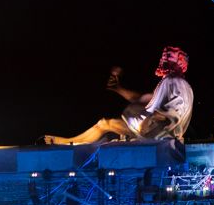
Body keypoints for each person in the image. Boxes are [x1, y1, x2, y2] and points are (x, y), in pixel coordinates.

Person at [44, 46, 194, 145]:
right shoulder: (169, 81)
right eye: (164, 55)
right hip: (151, 128)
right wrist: (119, 89)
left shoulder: (175, 82)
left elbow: (175, 109)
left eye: (168, 56)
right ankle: (70, 143)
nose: (163, 58)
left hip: (155, 132)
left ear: (179, 62)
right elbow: (142, 100)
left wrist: (153, 118)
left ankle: (66, 143)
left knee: (105, 124)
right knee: (108, 132)